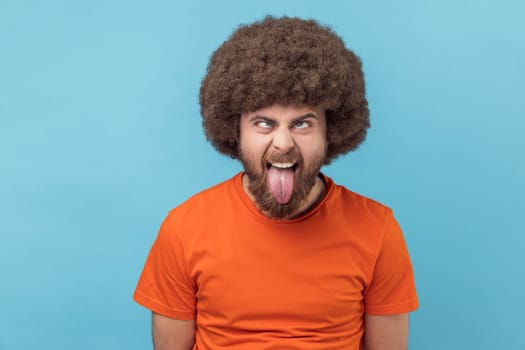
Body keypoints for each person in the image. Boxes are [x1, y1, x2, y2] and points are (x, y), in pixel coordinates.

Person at [133, 16, 418, 350]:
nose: (283, 143)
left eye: (301, 124)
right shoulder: (184, 228)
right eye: (264, 123)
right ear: (235, 130)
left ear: (332, 131)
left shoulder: (378, 230)